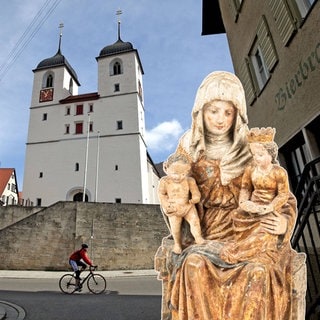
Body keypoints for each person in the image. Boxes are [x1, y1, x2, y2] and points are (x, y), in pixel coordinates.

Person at [158, 71, 299, 319]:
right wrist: (174, 208)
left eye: (228, 112)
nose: (220, 119)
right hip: (206, 233)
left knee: (257, 271)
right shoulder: (190, 146)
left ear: (237, 114)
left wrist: (284, 221)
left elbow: (280, 193)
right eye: (213, 111)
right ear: (200, 112)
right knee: (194, 265)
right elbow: (173, 186)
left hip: (248, 231)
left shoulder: (251, 148)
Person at [220, 127, 291, 264]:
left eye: (260, 154)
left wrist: (270, 207)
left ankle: (242, 253)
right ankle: (242, 248)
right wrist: (245, 204)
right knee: (237, 215)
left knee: (265, 229)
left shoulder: (278, 172)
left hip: (269, 207)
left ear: (271, 154)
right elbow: (245, 189)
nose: (256, 158)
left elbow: (283, 194)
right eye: (253, 155)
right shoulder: (251, 169)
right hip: (252, 207)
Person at [158, 153, 205, 254]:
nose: (178, 177)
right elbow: (162, 194)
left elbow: (196, 193)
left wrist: (195, 198)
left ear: (187, 171)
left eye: (183, 174)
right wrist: (165, 204)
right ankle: (177, 244)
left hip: (188, 206)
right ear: (166, 168)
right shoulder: (165, 181)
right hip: (174, 209)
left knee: (195, 222)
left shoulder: (189, 181)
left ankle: (198, 237)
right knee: (175, 228)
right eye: (174, 173)